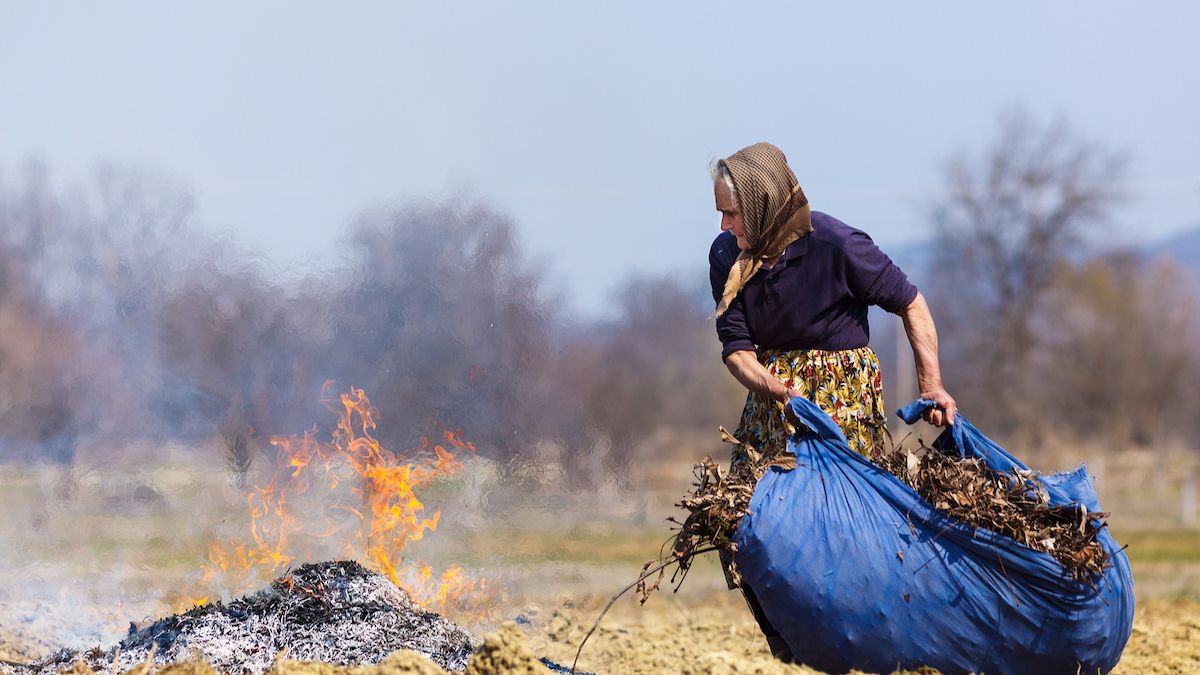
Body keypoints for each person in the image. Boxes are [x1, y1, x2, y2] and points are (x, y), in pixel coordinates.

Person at [708, 141, 956, 661]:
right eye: (721, 214)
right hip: (773, 396)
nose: (725, 224)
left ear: (762, 204)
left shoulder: (837, 244)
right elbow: (736, 349)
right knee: (735, 519)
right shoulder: (726, 256)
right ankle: (788, 639)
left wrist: (931, 385)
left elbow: (911, 304)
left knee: (843, 527)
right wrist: (774, 387)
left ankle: (870, 640)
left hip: (840, 395)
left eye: (732, 213)